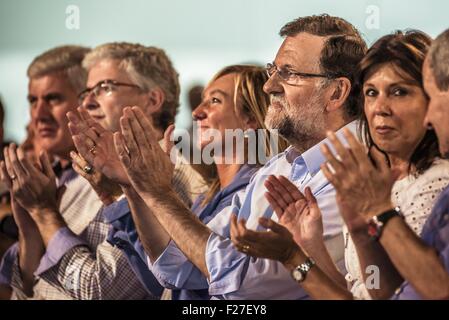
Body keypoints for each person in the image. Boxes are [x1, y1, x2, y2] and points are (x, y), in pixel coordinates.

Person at [112, 14, 367, 299]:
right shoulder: (281, 166)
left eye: (289, 73)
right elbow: (177, 265)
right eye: (273, 70)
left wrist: (159, 194)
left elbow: (246, 285)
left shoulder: (358, 172)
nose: (269, 86)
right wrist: (141, 189)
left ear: (336, 92)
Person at [230, 30, 449, 300]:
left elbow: (438, 290)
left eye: (399, 92)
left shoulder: (439, 182)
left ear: (430, 99)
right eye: (371, 92)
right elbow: (368, 295)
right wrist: (304, 248)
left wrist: (379, 211)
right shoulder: (372, 182)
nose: (380, 107)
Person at [0, 45, 152, 300]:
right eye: (32, 100)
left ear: (85, 101)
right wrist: (29, 231)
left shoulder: (120, 178)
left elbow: (102, 292)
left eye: (53, 99)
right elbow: (25, 289)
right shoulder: (47, 178)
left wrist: (44, 213)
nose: (39, 114)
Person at [65, 42, 206, 298]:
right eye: (86, 92)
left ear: (152, 99)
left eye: (104, 88)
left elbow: (102, 291)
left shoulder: (175, 181)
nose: (87, 102)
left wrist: (44, 217)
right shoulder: (84, 175)